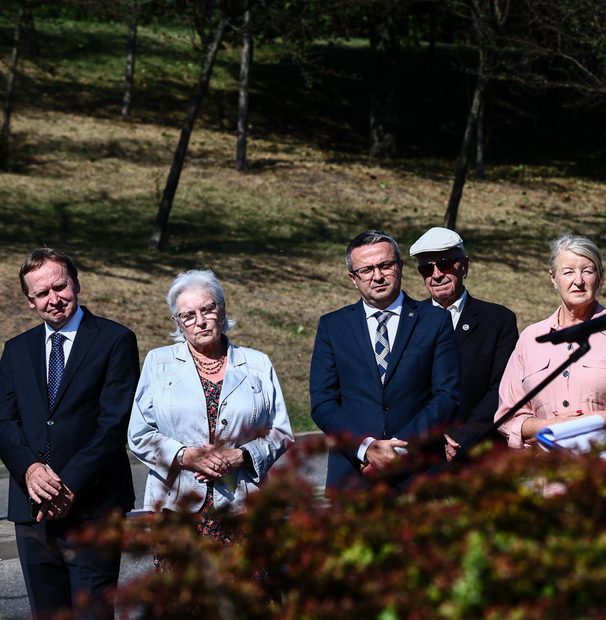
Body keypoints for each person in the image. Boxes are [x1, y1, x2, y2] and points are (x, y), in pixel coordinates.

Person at [0, 248, 139, 620]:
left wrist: (69, 485)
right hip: (32, 513)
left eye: (60, 287)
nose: (54, 299)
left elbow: (113, 426)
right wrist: (30, 470)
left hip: (93, 508)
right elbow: (4, 423)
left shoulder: (115, 340)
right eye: (41, 294)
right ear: (30, 302)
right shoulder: (15, 350)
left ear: (76, 283)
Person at [127, 269, 293, 572]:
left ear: (223, 309)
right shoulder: (158, 363)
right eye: (188, 315)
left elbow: (280, 431)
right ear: (177, 323)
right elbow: (139, 433)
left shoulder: (257, 364)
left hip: (243, 504)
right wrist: (185, 455)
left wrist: (241, 455)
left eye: (207, 309)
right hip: (176, 506)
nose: (200, 321)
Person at [310, 230, 461, 489]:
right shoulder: (332, 326)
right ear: (353, 278)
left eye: (385, 266)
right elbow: (323, 403)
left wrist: (397, 448)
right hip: (354, 475)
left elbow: (447, 396)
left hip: (419, 474)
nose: (377, 276)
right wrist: (367, 448)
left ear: (400, 267)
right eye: (366, 270)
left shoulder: (434, 320)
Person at [496, 234, 606, 448]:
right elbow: (509, 417)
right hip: (547, 475)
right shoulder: (531, 339)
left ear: (600, 277)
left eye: (587, 271)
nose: (578, 281)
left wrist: (592, 422)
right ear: (553, 278)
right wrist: (551, 427)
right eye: (568, 272)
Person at [409, 227, 518, 460]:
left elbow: (501, 389)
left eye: (446, 265)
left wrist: (461, 439)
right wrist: (432, 440)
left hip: (480, 453)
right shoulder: (408, 322)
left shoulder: (498, 321)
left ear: (465, 266)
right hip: (422, 455)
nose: (436, 275)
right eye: (427, 269)